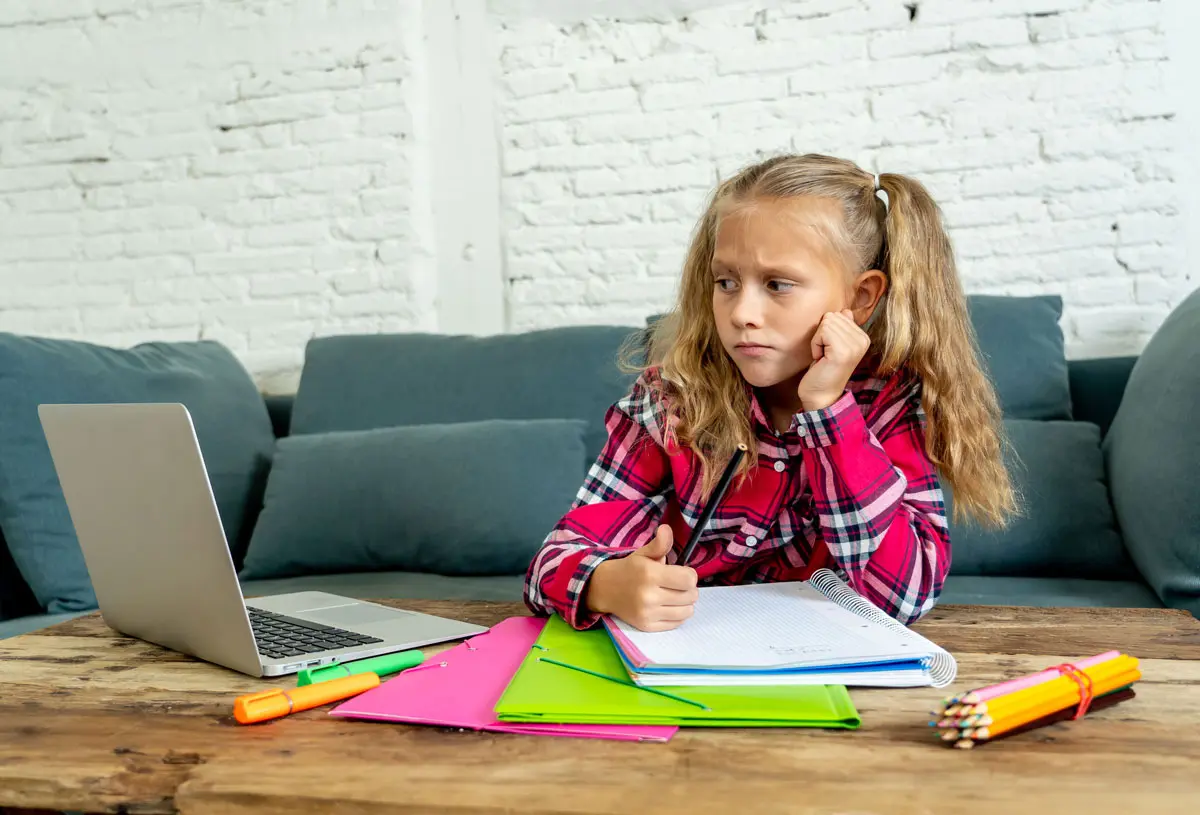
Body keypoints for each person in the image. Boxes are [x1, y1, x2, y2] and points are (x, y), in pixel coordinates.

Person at [524, 153, 1016, 632]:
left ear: (860, 298)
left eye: (778, 284)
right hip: (684, 654)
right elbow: (552, 561)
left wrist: (828, 413)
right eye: (726, 282)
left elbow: (902, 597)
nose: (742, 313)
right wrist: (606, 584)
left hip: (818, 672)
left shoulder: (886, 404)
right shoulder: (670, 401)